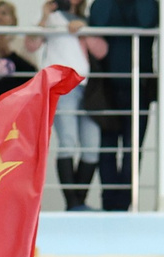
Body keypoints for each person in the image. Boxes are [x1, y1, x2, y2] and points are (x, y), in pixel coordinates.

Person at [80, 0, 153, 212]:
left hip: (139, 86)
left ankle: (123, 204)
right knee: (107, 147)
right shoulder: (102, 4)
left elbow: (147, 21)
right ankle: (110, 203)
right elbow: (98, 22)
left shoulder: (147, 4)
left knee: (133, 148)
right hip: (106, 86)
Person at [38, 1, 98, 206]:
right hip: (64, 85)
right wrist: (45, 15)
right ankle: (73, 203)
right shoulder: (53, 19)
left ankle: (78, 202)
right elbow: (33, 43)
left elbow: (100, 51)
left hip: (88, 88)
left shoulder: (87, 20)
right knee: (68, 141)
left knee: (92, 147)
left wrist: (85, 31)